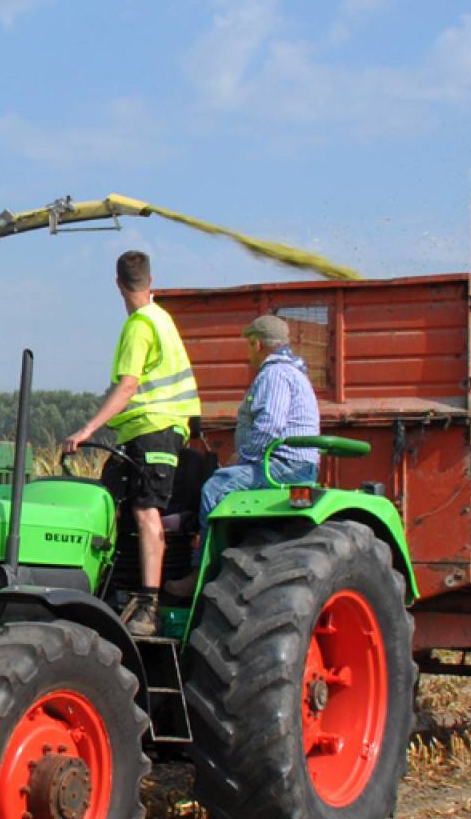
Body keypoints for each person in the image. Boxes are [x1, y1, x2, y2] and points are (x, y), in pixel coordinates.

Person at [62, 250, 200, 636]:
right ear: (151, 281)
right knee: (117, 505)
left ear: (118, 284)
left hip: (152, 427)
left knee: (145, 511)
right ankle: (114, 593)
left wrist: (87, 430)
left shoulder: (140, 325)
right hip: (154, 429)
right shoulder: (164, 320)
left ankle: (148, 608)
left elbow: (128, 385)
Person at [164, 315, 319, 596]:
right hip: (293, 464)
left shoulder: (274, 374)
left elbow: (270, 424)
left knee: (216, 486)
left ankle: (201, 573)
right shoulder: (296, 372)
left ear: (256, 344)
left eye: (249, 345)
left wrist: (242, 457)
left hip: (282, 465)